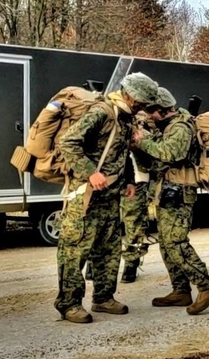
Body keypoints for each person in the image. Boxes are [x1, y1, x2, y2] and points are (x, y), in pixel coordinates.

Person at [54, 72, 158, 324]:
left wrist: (130, 180)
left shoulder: (125, 118)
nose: (144, 107)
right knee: (75, 250)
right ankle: (68, 303)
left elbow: (122, 154)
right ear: (130, 95)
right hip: (86, 197)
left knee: (108, 249)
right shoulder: (102, 112)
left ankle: (103, 298)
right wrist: (91, 173)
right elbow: (68, 142)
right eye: (142, 102)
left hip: (111, 197)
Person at [134, 87, 209, 314]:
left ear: (163, 110)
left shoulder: (181, 127)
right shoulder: (166, 127)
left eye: (152, 112)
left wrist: (142, 142)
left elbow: (172, 154)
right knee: (166, 243)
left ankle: (207, 286)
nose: (149, 116)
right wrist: (139, 146)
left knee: (176, 243)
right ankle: (181, 290)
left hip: (179, 192)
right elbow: (153, 162)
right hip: (166, 191)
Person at [120, 111, 156, 284]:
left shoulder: (142, 126)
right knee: (106, 224)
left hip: (137, 179)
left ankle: (131, 264)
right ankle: (96, 265)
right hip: (112, 179)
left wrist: (139, 140)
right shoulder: (111, 122)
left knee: (133, 223)